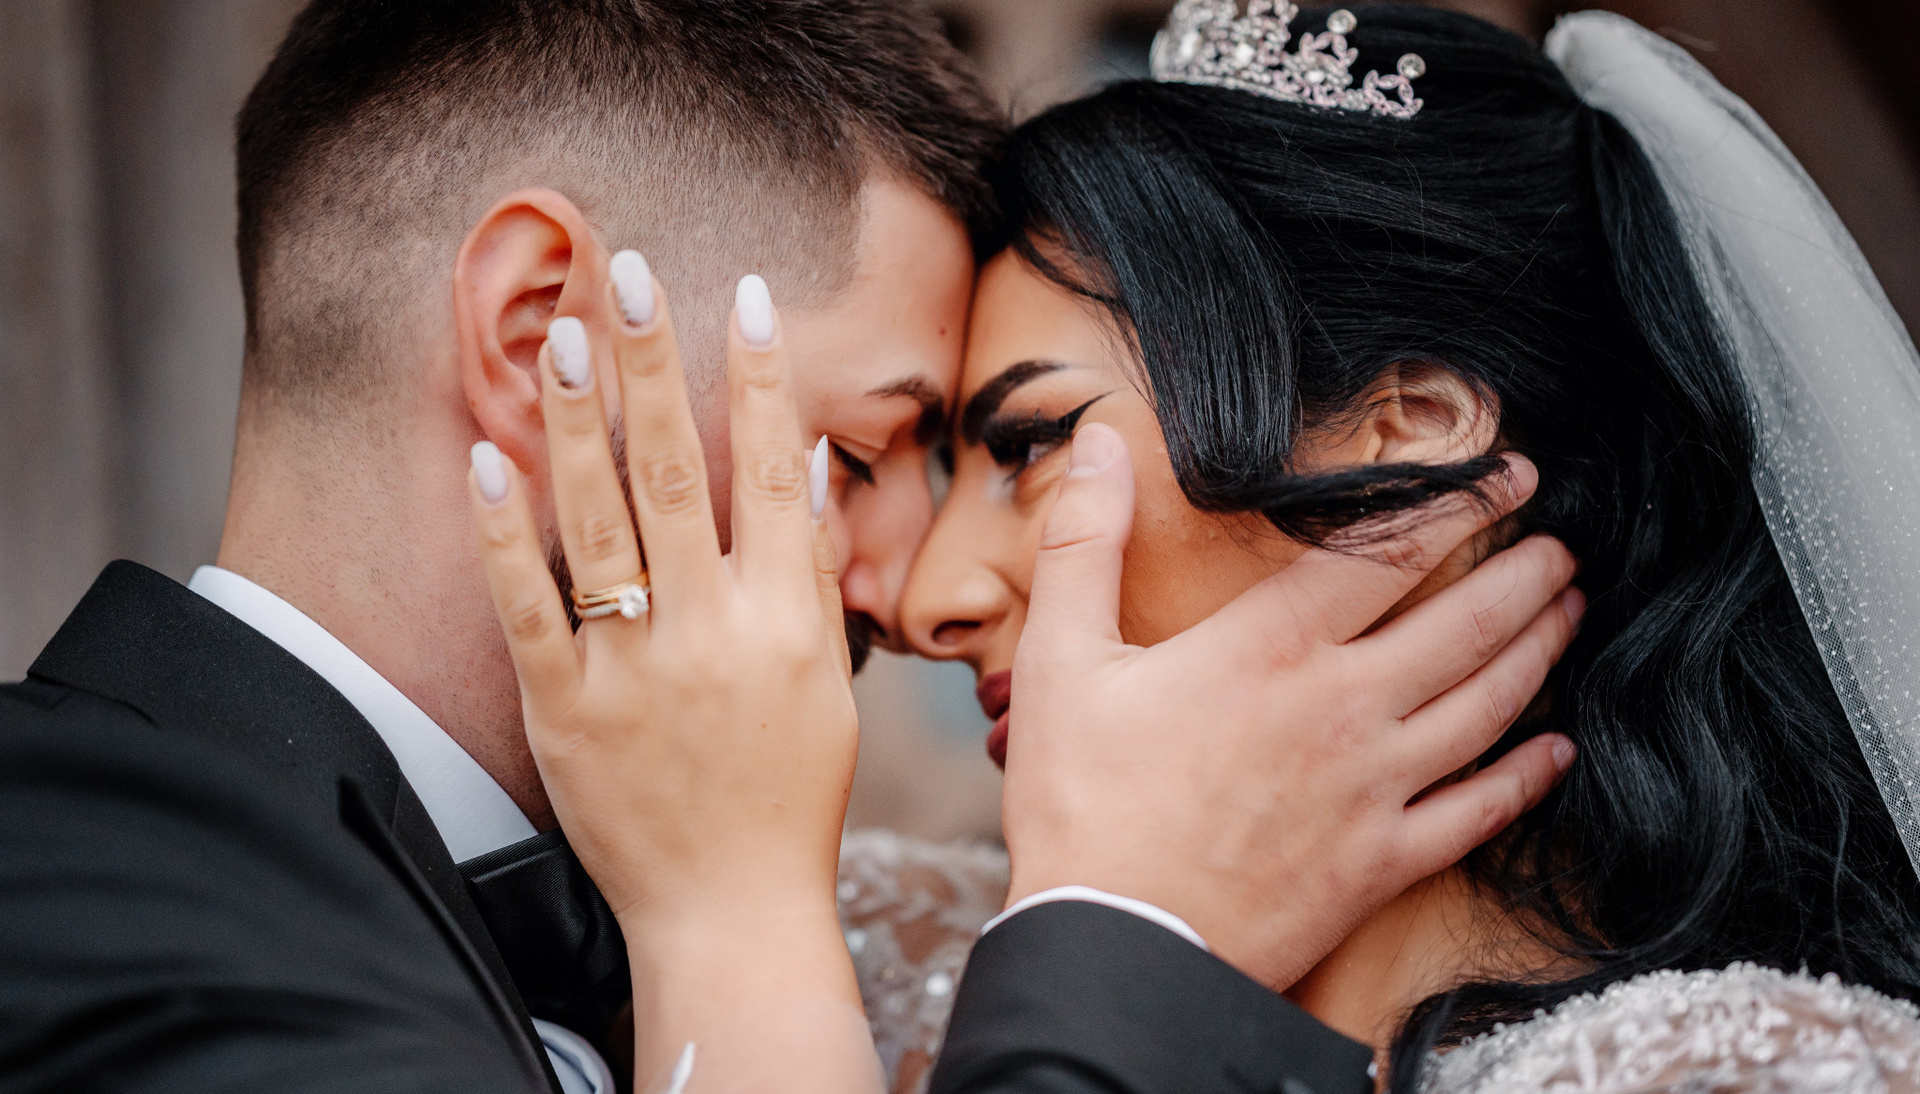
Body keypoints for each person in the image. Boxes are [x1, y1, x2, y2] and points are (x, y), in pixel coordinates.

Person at [0, 2, 1584, 1093]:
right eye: (864, 451)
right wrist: (1138, 942)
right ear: (543, 335)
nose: (910, 589)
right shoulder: (65, 900)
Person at [890, 4, 1920, 1092]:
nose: (926, 600)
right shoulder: (880, 965)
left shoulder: (1763, 1068)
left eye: (1032, 443)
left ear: (1412, 432)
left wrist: (1117, 963)